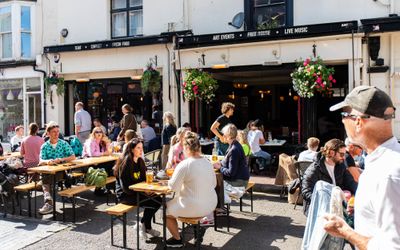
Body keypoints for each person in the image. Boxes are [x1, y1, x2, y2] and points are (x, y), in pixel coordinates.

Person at [324, 86, 400, 249]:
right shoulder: (385, 162)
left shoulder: (387, 174)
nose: (343, 120)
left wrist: (345, 231)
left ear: (358, 121)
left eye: (344, 115)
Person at [165, 132, 217, 247]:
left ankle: (177, 239)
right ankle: (195, 229)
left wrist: (169, 181)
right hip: (210, 205)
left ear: (186, 148)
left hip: (194, 206)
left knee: (166, 211)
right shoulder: (208, 163)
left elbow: (173, 188)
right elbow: (213, 184)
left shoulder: (184, 164)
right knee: (187, 202)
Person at [114, 138, 161, 240]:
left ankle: (143, 225)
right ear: (131, 149)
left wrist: (149, 187)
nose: (141, 150)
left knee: (158, 200)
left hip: (138, 192)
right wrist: (143, 191)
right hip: (125, 195)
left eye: (142, 148)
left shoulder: (140, 161)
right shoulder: (125, 163)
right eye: (138, 148)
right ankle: (144, 226)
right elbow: (125, 188)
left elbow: (144, 180)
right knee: (153, 201)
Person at [301, 139, 357, 215]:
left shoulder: (341, 166)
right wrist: (327, 201)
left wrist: (359, 194)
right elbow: (306, 192)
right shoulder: (314, 169)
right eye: (341, 154)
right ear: (331, 152)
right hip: (318, 209)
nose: (344, 158)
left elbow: (351, 183)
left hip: (338, 206)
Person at [38, 122, 76, 214]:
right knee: (45, 176)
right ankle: (48, 201)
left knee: (44, 179)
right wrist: (48, 161)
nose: (56, 134)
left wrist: (61, 159)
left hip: (61, 172)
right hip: (48, 172)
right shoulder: (45, 146)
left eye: (58, 131)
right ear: (48, 134)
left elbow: (73, 156)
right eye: (54, 132)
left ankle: (48, 202)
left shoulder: (63, 143)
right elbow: (41, 160)